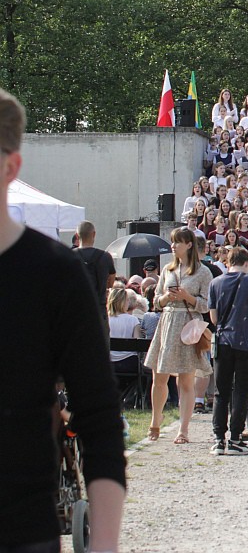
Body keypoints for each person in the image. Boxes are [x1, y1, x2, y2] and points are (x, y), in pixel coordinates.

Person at [0, 87, 126, 553]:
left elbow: (99, 417)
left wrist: (105, 544)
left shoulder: (55, 273)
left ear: (10, 168)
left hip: (19, 530)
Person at [146, 226, 214, 445]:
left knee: (185, 380)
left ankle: (183, 430)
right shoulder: (167, 269)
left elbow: (206, 306)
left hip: (187, 325)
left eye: (177, 242)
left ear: (189, 245)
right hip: (167, 323)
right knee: (159, 376)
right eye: (172, 242)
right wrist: (166, 297)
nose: (173, 246)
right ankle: (156, 419)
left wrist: (188, 297)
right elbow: (155, 301)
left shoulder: (203, 272)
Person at [206, 247, 248, 455]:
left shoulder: (215, 283)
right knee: (241, 390)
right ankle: (235, 439)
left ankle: (218, 439)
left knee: (221, 392)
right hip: (245, 341)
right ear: (247, 262)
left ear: (228, 261)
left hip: (222, 341)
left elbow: (213, 319)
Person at [75, 219, 116, 323]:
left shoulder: (69, 256)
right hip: (99, 311)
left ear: (77, 235)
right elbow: (111, 283)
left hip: (76, 312)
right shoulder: (105, 257)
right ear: (94, 234)